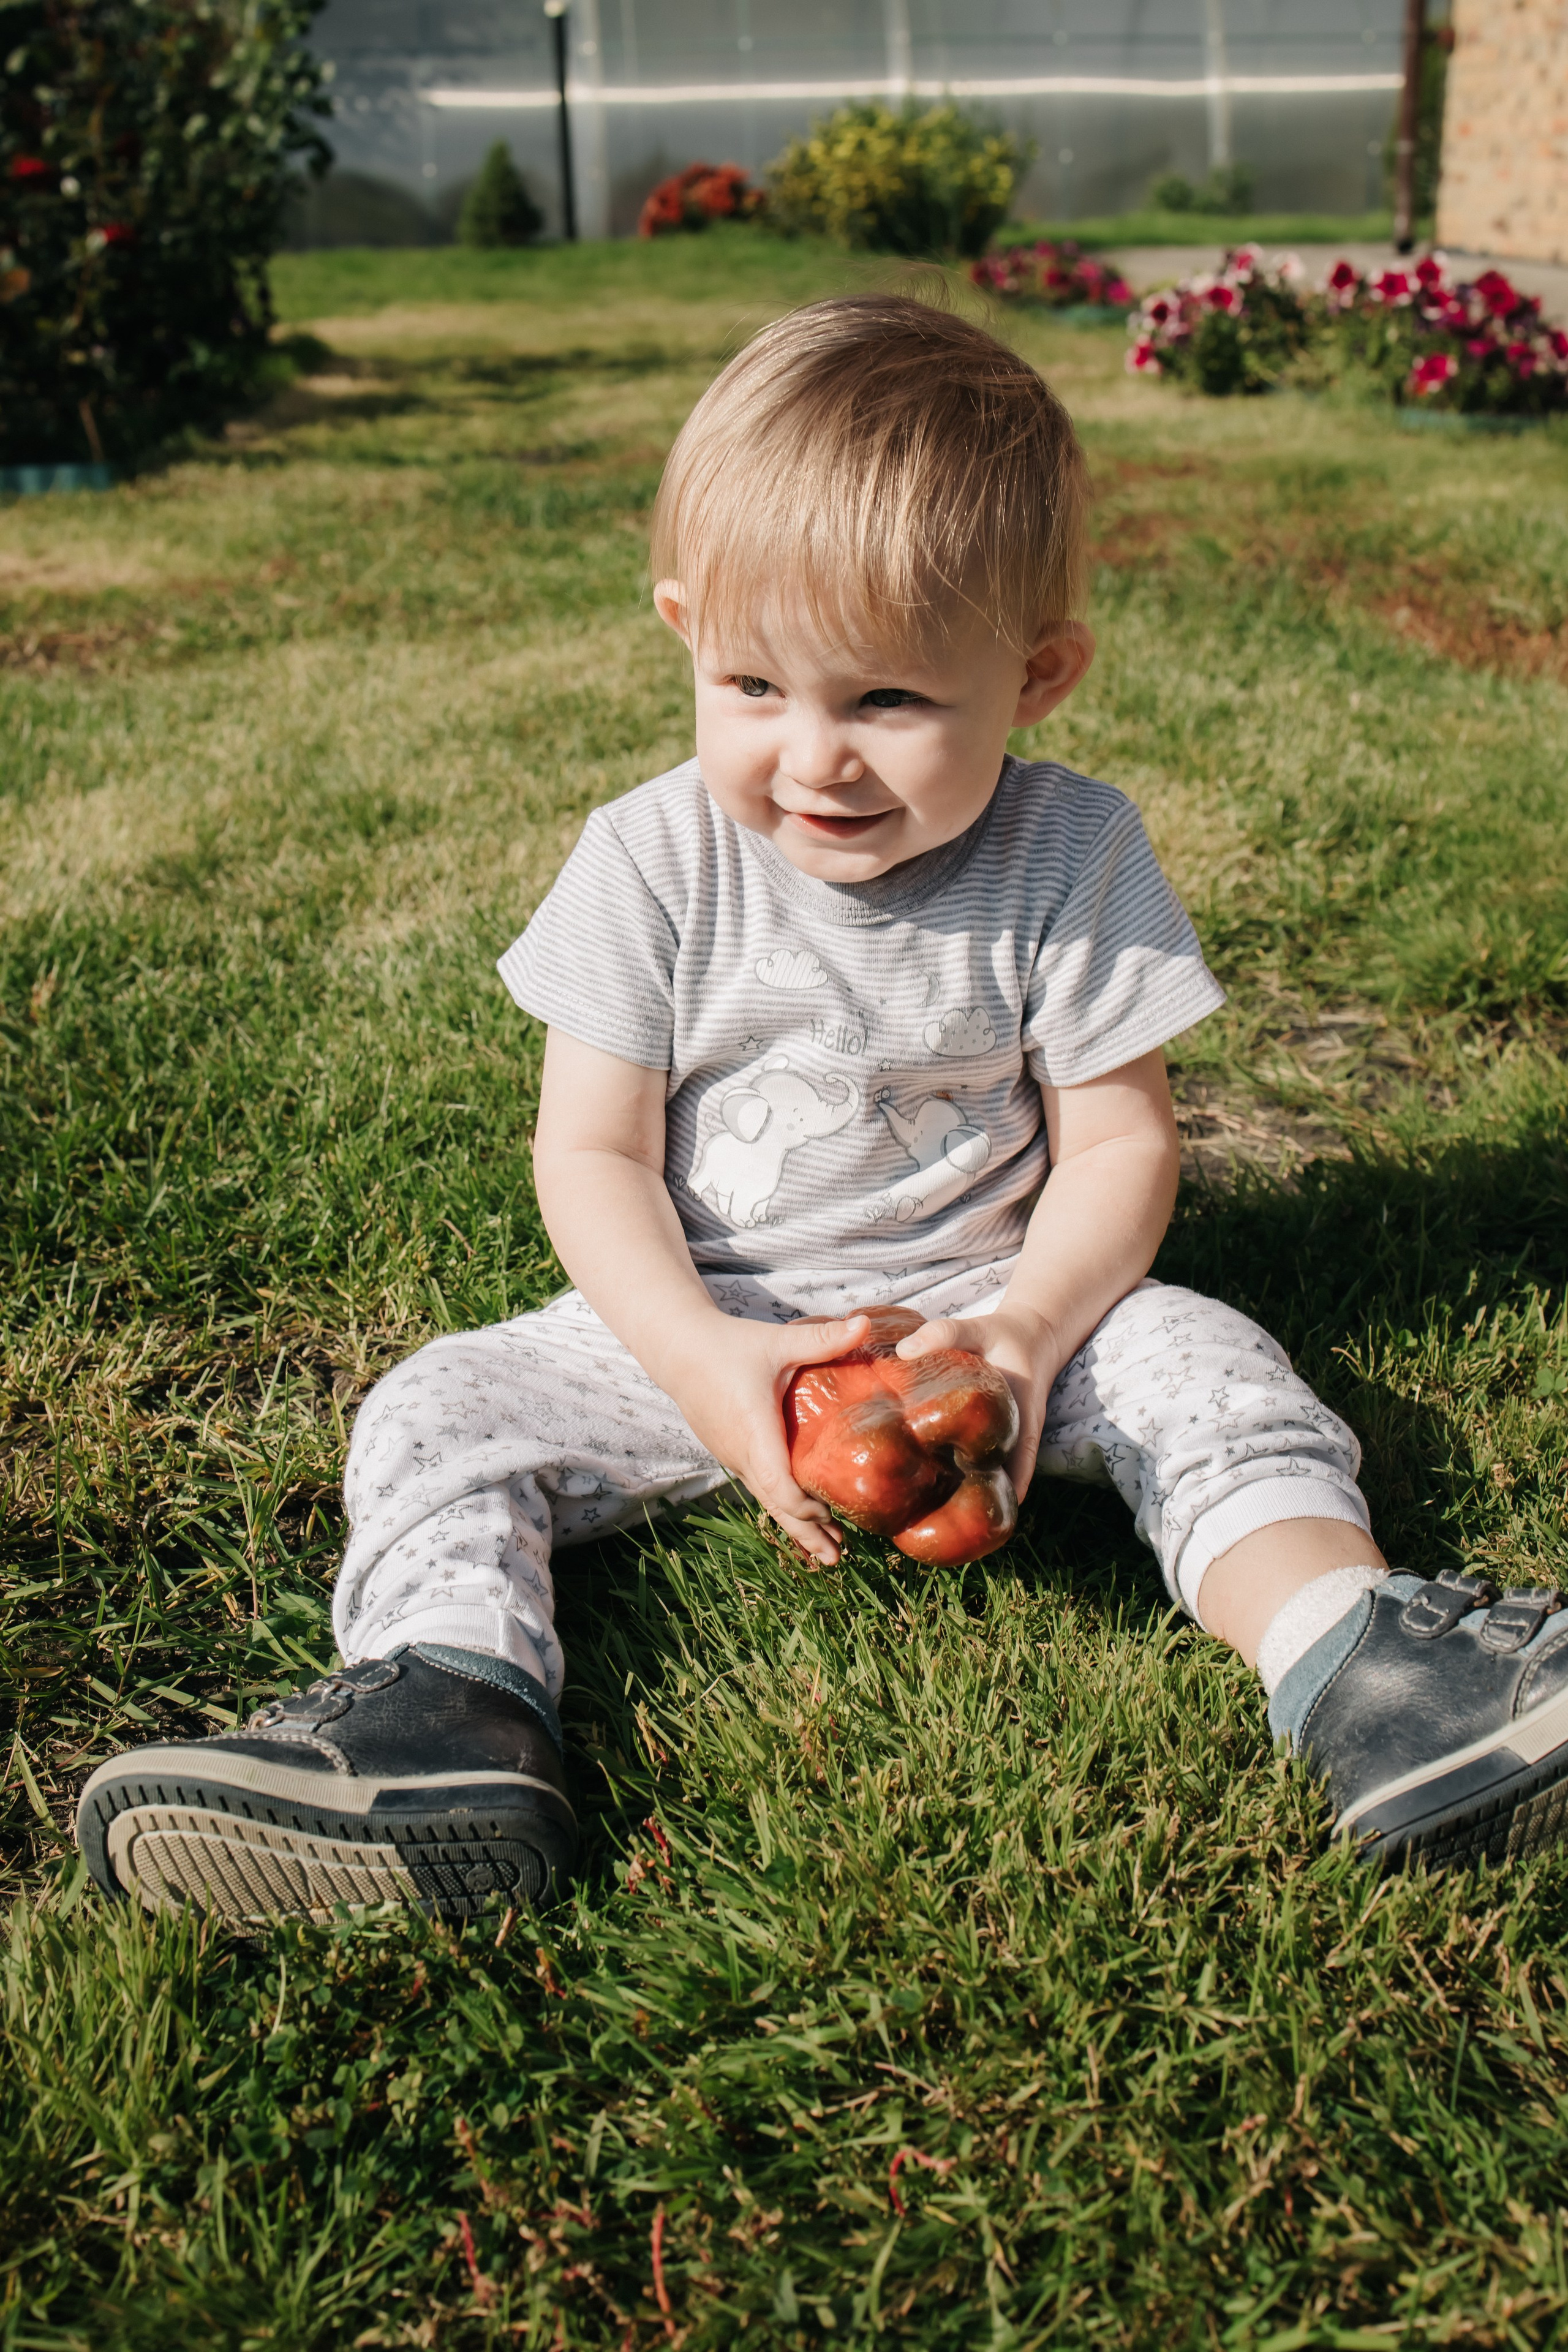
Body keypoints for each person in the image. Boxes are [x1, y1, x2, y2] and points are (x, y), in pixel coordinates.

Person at [77, 296, 1568, 1922]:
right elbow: (591, 1151)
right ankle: (443, 1713)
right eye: (754, 684)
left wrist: (1029, 1335)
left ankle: (1366, 1668)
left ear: (1038, 675)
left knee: (1205, 1368)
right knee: (438, 1408)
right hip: (709, 1320)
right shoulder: (649, 859)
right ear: (682, 630)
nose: (816, 758)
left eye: (888, 702)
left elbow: (1121, 1140)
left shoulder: (1073, 853)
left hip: (988, 1316)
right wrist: (700, 1360)